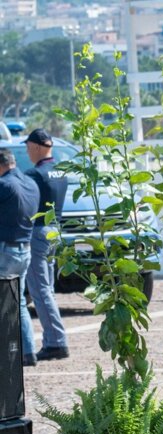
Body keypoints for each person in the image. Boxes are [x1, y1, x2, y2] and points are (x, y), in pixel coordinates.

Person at [22, 128, 69, 362]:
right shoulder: (61, 171)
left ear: (38, 146)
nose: (27, 151)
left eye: (28, 147)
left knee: (40, 291)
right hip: (55, 231)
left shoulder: (35, 174)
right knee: (47, 289)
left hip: (38, 232)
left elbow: (25, 203)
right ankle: (54, 340)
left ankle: (56, 342)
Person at [0, 148, 38, 367]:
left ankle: (9, 352)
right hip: (25, 249)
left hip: (4, 249)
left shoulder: (4, 185)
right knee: (19, 302)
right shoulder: (30, 184)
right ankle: (28, 352)